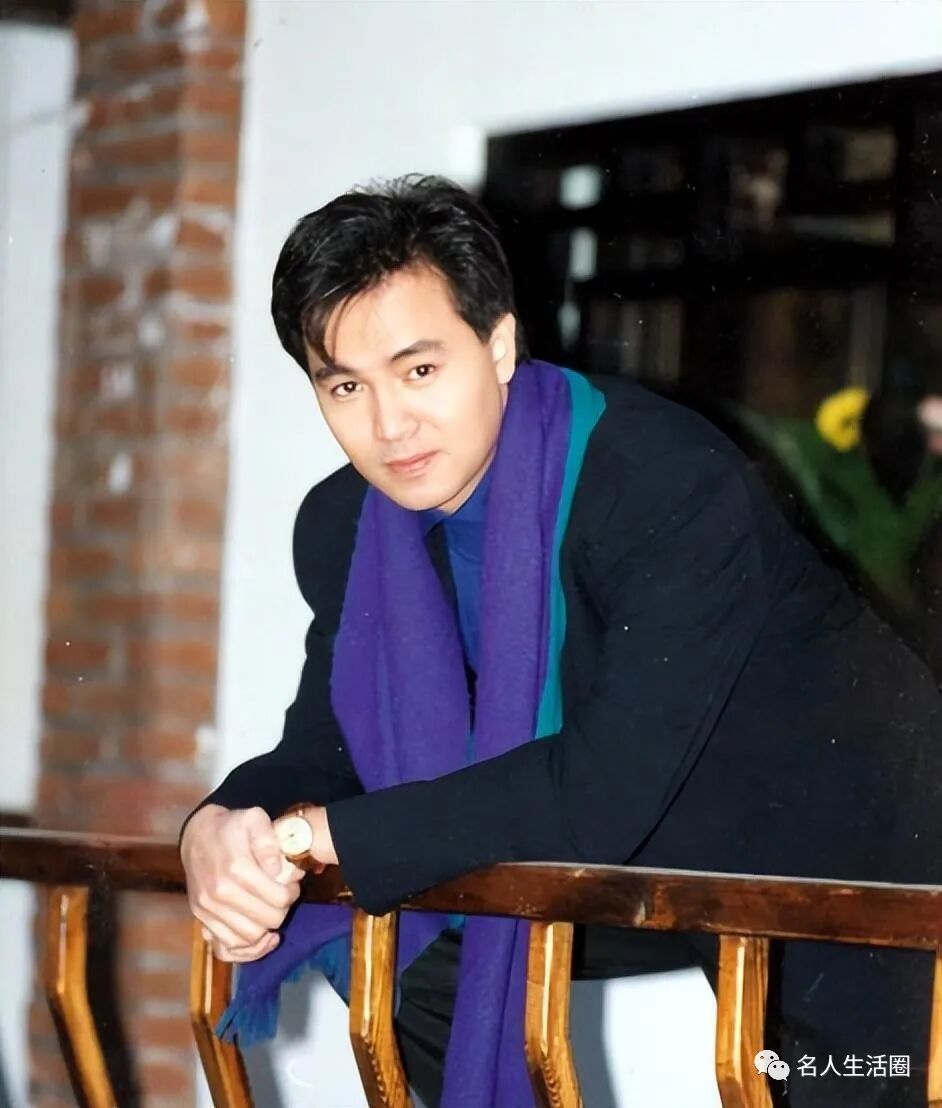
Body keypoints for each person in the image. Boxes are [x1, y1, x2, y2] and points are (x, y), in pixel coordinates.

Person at [180, 176, 941, 1108]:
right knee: (407, 935)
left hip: (858, 851)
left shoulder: (661, 481)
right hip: (635, 850)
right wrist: (220, 824)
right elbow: (328, 743)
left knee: (855, 1091)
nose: (388, 425)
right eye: (346, 386)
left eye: (419, 371)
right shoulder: (345, 524)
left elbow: (601, 785)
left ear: (499, 344)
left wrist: (306, 839)